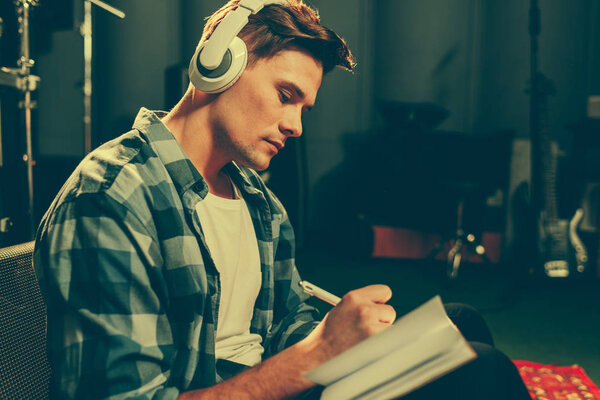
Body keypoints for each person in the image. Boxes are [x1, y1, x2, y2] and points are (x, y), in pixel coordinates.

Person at [34, 0, 530, 399]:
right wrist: (314, 359)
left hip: (277, 380)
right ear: (218, 65)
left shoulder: (256, 198)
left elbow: (285, 321)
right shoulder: (111, 197)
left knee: (460, 325)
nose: (296, 126)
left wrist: (344, 341)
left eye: (304, 108)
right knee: (482, 372)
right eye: (286, 94)